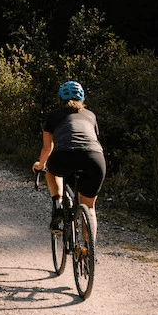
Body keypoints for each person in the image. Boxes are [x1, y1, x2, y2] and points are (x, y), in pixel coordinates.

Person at [32, 81, 106, 241]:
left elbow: (47, 148)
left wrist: (40, 166)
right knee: (90, 207)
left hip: (65, 155)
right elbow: (92, 140)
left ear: (60, 98)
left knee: (51, 171)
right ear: (82, 98)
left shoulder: (53, 115)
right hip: (95, 159)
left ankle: (58, 204)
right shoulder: (91, 115)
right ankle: (88, 251)